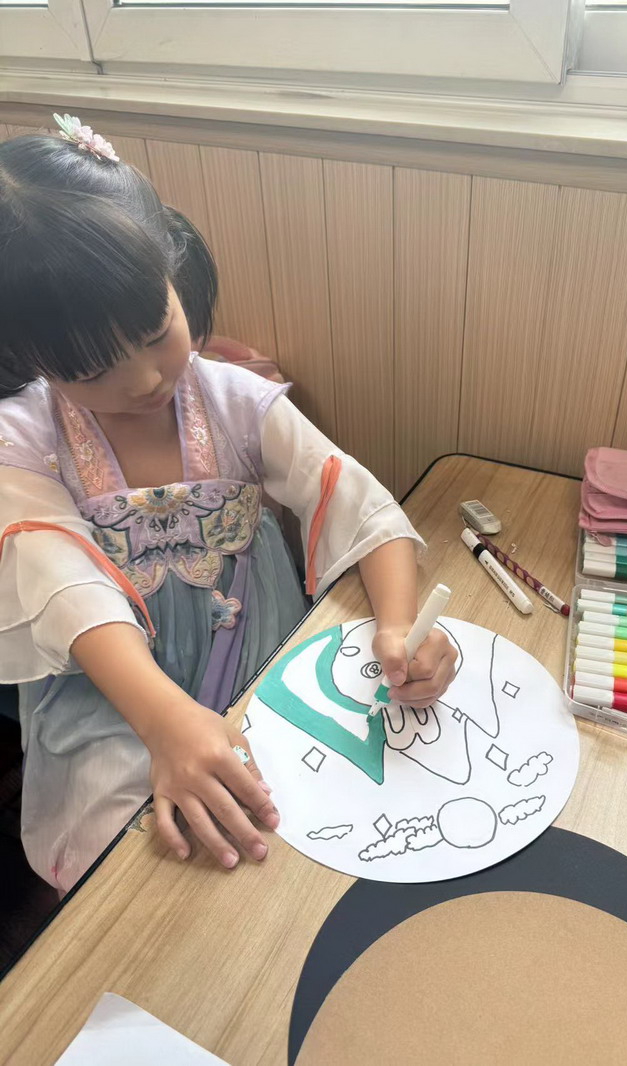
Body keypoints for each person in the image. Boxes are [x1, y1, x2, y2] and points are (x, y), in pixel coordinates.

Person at [0, 116, 457, 894]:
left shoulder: (237, 402)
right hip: (114, 701)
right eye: (94, 372)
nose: (145, 379)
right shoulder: (22, 439)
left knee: (307, 828)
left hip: (259, 664)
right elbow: (63, 590)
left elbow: (360, 505)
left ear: (174, 272)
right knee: (149, 873)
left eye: (156, 332)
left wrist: (398, 626)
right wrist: (165, 723)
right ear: (29, 356)